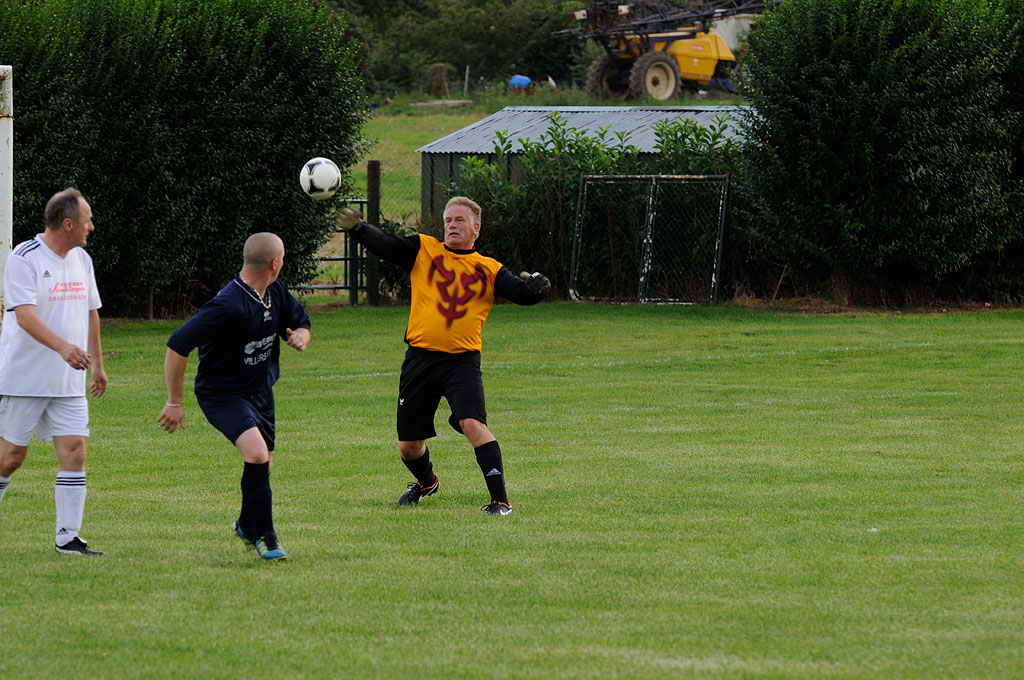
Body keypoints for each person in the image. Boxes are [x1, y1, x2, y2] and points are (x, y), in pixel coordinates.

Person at [337, 196, 551, 516]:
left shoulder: (488, 269)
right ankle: (427, 482)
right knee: (409, 447)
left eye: (459, 220)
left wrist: (538, 287)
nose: (451, 225)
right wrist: (359, 229)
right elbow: (386, 245)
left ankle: (501, 502)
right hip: (419, 359)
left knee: (472, 424)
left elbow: (523, 295)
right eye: (448, 220)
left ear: (476, 228)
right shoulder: (424, 249)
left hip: (462, 362)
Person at [157, 232, 310, 562]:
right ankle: (265, 537)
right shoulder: (228, 305)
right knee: (256, 454)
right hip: (222, 394)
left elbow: (300, 320)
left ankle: (245, 523)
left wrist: (300, 334)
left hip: (259, 392)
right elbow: (177, 344)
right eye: (282, 258)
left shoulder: (274, 292)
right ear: (274, 263)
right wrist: (174, 401)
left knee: (263, 465)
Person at [0, 188, 108, 555]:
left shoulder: (82, 259)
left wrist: (98, 364)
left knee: (75, 451)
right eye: (87, 219)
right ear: (68, 223)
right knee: (10, 458)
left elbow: (91, 311)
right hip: (25, 378)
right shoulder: (23, 258)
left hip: (69, 381)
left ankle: (68, 539)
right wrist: (63, 348)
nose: (91, 226)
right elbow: (25, 316)